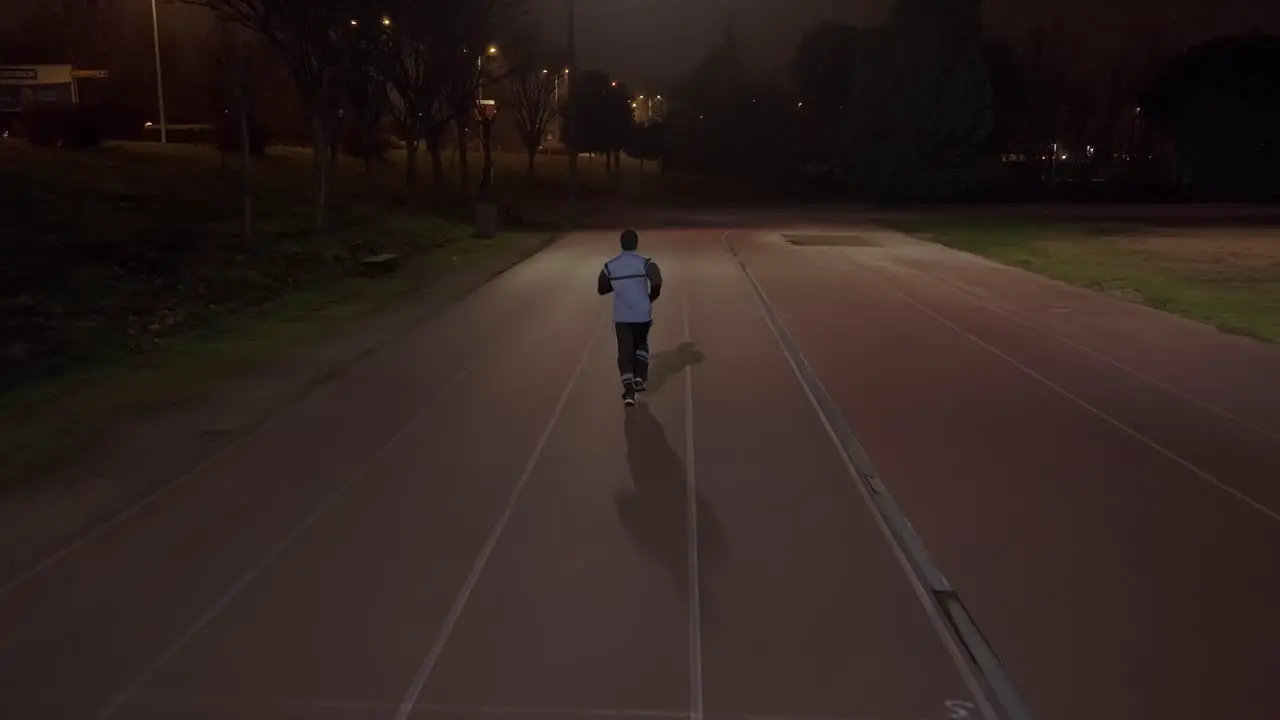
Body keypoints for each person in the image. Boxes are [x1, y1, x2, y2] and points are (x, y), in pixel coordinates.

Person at [598, 229, 663, 406]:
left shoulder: (610, 266)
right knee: (641, 344)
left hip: (622, 317)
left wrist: (620, 285)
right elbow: (657, 282)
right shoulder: (646, 263)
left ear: (621, 244)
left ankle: (628, 391)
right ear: (636, 244)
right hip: (643, 314)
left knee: (625, 352)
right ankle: (640, 377)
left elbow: (602, 289)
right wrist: (649, 298)